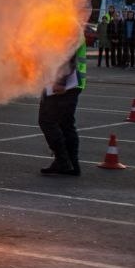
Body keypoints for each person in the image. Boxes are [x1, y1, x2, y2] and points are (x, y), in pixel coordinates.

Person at [39, 39, 87, 177]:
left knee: (47, 120)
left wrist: (60, 81)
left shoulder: (67, 22)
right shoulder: (73, 22)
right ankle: (71, 164)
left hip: (64, 84)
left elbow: (67, 53)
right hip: (72, 83)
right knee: (65, 124)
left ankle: (62, 161)